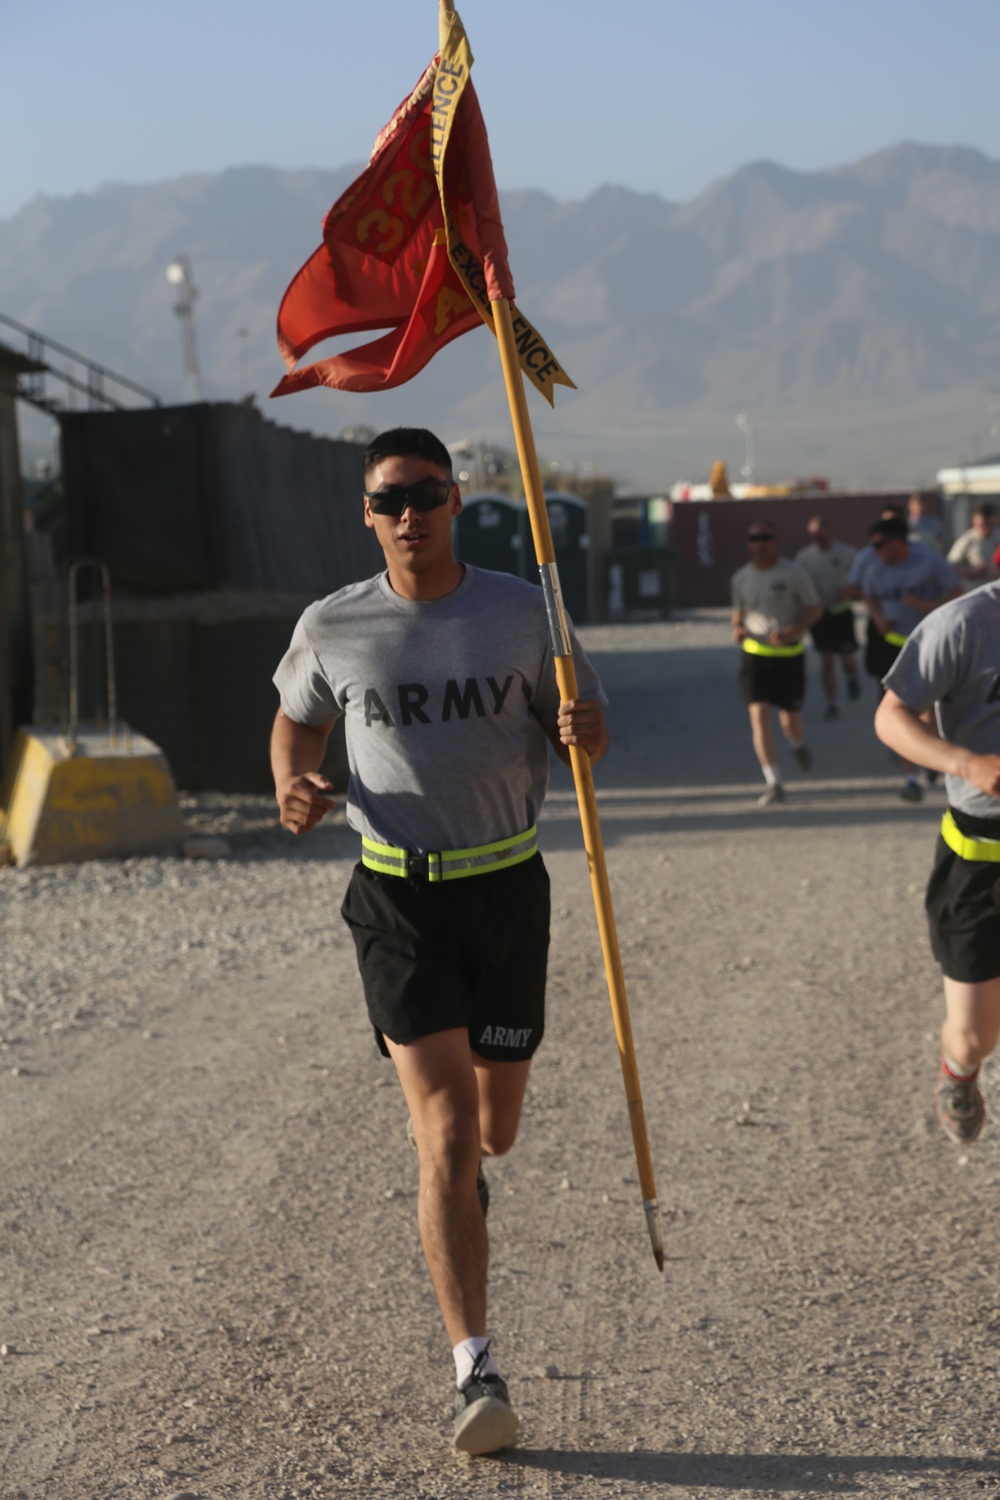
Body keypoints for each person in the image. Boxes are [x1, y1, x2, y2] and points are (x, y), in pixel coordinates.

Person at [269, 427, 608, 1456]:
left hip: (507, 886)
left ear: (457, 499)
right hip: (397, 901)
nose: (406, 514)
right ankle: (476, 1370)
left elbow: (581, 714)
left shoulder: (521, 609)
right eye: (387, 501)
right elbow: (296, 723)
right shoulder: (334, 625)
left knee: (494, 1130)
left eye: (423, 494)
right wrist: (291, 784)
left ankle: (461, 1183)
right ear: (365, 514)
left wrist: (584, 728)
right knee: (449, 1137)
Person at [874, 579, 1000, 1144]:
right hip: (979, 862)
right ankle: (959, 1071)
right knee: (975, 1034)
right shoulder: (965, 623)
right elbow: (892, 716)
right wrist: (966, 764)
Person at [861, 515, 961, 801]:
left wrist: (924, 605)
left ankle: (931, 757)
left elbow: (957, 594)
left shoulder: (929, 564)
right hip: (892, 646)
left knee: (929, 711)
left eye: (880, 545)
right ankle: (911, 779)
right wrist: (878, 618)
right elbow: (869, 595)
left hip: (928, 645)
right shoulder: (875, 568)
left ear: (897, 542)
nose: (875, 551)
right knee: (897, 710)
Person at [730, 520, 821, 807]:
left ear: (775, 541)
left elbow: (814, 609)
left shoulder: (793, 573)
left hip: (788, 657)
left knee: (790, 722)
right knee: (758, 718)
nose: (759, 544)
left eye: (765, 538)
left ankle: (798, 744)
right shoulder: (740, 577)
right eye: (753, 538)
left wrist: (793, 631)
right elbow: (738, 612)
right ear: (748, 543)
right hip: (754, 656)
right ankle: (774, 782)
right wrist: (737, 628)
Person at [795, 515, 861, 719]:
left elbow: (860, 581)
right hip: (820, 615)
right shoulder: (805, 557)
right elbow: (799, 585)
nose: (818, 539)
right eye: (814, 535)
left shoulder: (847, 553)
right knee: (827, 660)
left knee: (847, 658)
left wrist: (849, 592)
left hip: (841, 612)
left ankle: (852, 676)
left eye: (821, 535)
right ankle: (831, 702)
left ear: (831, 533)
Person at [947, 504, 1000, 589]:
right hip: (974, 589)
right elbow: (951, 566)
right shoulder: (966, 540)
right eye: (983, 525)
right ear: (974, 521)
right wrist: (972, 571)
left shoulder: (997, 537)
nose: (985, 528)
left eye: (988, 524)